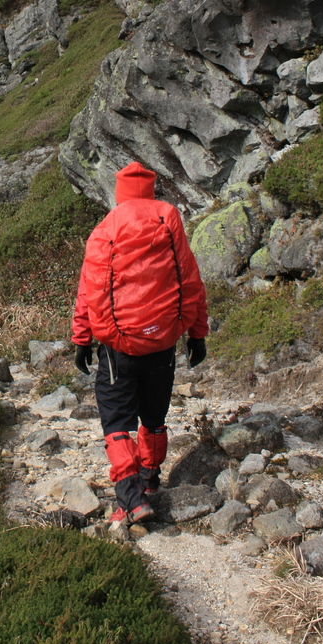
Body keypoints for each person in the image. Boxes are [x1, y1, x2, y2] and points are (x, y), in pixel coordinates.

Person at [71, 161, 208, 526]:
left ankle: (131, 499)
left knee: (116, 422)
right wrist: (197, 333)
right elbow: (190, 279)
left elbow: (91, 289)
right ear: (149, 188)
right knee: (155, 416)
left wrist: (82, 339)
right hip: (163, 340)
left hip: (119, 347)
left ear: (119, 192)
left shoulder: (106, 227)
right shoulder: (168, 217)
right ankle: (149, 480)